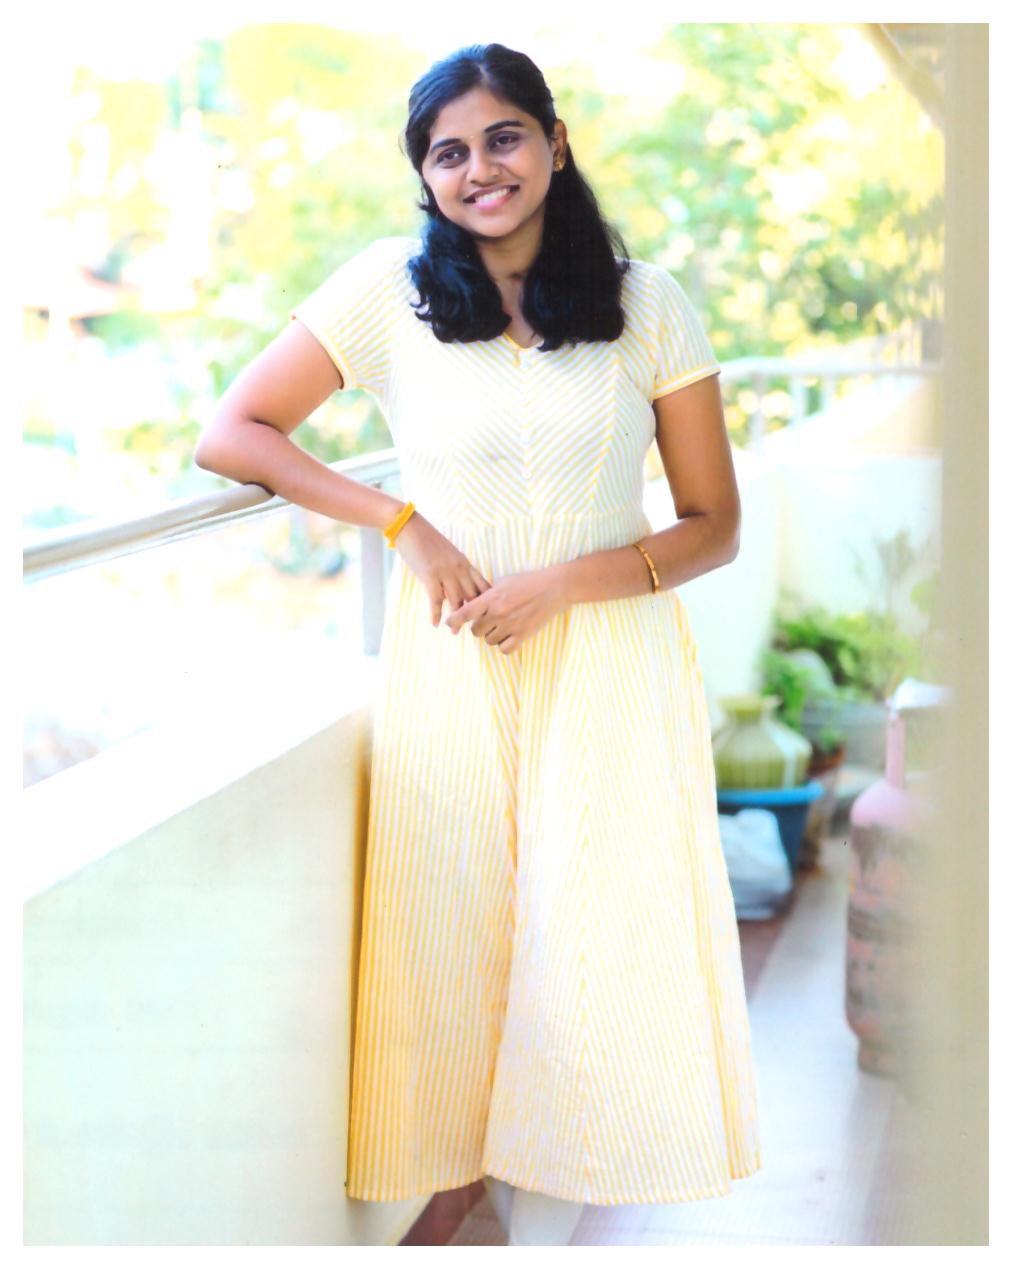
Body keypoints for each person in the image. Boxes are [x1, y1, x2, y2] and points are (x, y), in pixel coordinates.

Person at [195, 42, 760, 1246]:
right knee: (448, 928)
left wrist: (562, 585)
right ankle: (453, 1194)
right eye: (446, 153)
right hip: (451, 664)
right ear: (424, 177)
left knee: (589, 938)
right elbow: (235, 432)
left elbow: (713, 525)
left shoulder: (648, 305)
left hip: (607, 666)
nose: (477, 169)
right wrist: (402, 525)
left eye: (502, 137)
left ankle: (551, 1190)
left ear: (554, 142)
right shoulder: (385, 291)